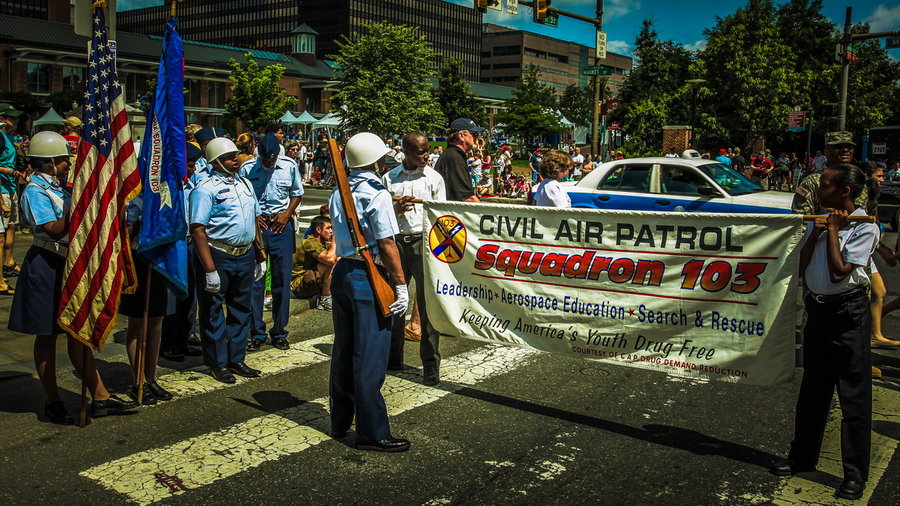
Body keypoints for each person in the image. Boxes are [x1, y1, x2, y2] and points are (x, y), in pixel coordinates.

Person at [8, 131, 137, 423]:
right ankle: (53, 401)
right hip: (46, 264)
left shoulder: (60, 187)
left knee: (77, 329)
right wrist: (81, 202)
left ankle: (100, 396)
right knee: (47, 334)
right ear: (49, 162)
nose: (68, 164)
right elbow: (53, 228)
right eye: (64, 160)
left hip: (70, 263)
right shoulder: (34, 190)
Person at [771, 163, 876, 501]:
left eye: (827, 185)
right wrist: (816, 232)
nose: (821, 190)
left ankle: (854, 474)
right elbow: (800, 267)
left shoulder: (864, 227)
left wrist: (832, 231)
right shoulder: (820, 221)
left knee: (852, 396)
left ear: (844, 191)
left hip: (847, 315)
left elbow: (839, 273)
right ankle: (801, 457)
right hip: (817, 312)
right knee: (813, 389)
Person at [328, 132, 410, 452]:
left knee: (344, 353)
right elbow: (387, 244)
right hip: (369, 275)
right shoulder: (377, 193)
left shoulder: (341, 190)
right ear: (376, 160)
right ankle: (372, 432)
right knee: (370, 358)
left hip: (344, 272)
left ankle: (339, 421)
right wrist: (400, 283)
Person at [190, 136, 266, 384]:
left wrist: (259, 254)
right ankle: (217, 363)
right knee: (213, 312)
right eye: (229, 158)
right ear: (216, 161)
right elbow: (198, 229)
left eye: (235, 156)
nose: (235, 161)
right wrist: (209, 269)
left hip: (244, 254)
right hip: (218, 255)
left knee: (241, 309)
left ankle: (236, 358)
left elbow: (254, 220)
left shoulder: (245, 184)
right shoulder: (205, 188)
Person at [383, 132, 446, 385]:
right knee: (393, 301)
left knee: (427, 304)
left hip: (423, 243)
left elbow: (442, 215)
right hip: (396, 243)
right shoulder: (389, 178)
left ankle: (430, 365)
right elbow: (380, 212)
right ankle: (392, 357)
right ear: (405, 152)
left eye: (427, 150)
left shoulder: (434, 178)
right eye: (420, 151)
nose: (426, 155)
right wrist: (394, 208)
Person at [238, 133, 303, 352]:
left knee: (282, 281)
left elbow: (297, 193)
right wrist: (254, 215)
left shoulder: (289, 166)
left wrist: (286, 214)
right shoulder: (247, 169)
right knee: (256, 280)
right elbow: (242, 197)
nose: (269, 163)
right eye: (265, 159)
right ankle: (257, 332)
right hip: (258, 227)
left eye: (272, 158)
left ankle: (279, 331)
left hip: (281, 226)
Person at [160, 143, 205, 362]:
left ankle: (184, 338)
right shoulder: (165, 187)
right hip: (172, 246)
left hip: (190, 244)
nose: (193, 169)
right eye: (189, 165)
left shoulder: (192, 185)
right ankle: (167, 343)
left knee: (189, 297)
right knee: (172, 298)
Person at [793, 132, 867, 215]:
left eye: (849, 147)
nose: (845, 150)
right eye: (838, 147)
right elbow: (801, 220)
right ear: (826, 151)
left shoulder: (860, 180)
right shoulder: (811, 182)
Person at [0, 104, 24, 283]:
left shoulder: (8, 136)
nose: (15, 121)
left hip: (11, 186)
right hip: (2, 187)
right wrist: (8, 172)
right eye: (12, 117)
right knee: (3, 229)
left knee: (12, 225)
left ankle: (8, 261)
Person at [291, 215, 337, 309]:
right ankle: (325, 299)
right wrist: (334, 241)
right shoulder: (310, 242)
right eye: (328, 228)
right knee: (329, 262)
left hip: (309, 281)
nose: (331, 231)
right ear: (318, 230)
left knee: (337, 259)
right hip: (298, 285)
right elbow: (330, 260)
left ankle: (328, 294)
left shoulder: (322, 242)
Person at [435, 118, 483, 203]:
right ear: (461, 136)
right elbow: (468, 198)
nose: (477, 137)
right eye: (474, 134)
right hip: (450, 214)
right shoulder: (454, 158)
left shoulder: (452, 154)